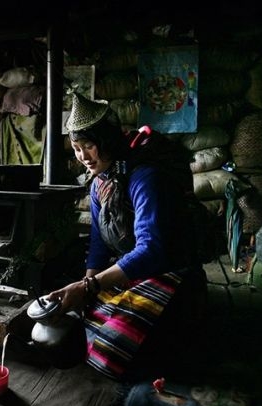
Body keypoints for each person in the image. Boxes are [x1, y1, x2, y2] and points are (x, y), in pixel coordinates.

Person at [44, 93, 207, 382]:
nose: (83, 157)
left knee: (111, 349)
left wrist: (89, 287)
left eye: (89, 146)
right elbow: (97, 246)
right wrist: (86, 288)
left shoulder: (145, 176)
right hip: (131, 271)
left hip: (171, 271)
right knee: (74, 319)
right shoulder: (99, 185)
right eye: (76, 148)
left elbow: (152, 249)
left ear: (106, 141)